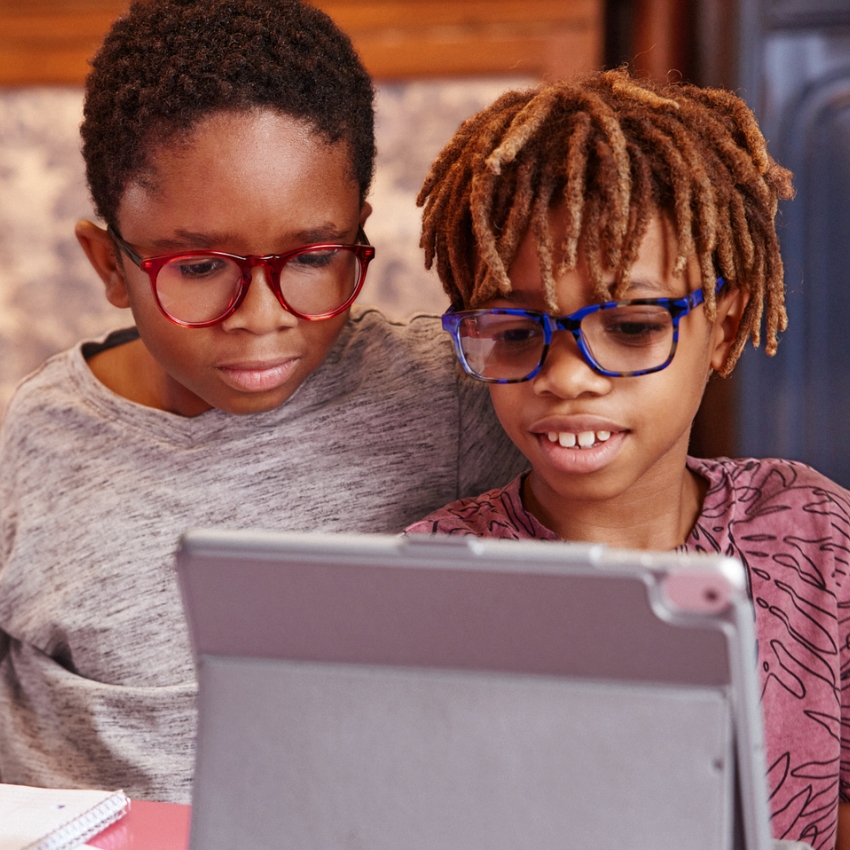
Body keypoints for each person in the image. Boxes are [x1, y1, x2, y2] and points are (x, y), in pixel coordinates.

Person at [0, 0, 524, 803]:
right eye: (201, 268)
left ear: (356, 233)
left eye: (313, 257)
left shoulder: (445, 401)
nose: (261, 317)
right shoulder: (31, 447)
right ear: (108, 264)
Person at [406, 69, 850, 849]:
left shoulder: (816, 537)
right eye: (515, 331)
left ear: (724, 323)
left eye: (634, 325)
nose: (568, 375)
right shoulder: (432, 574)